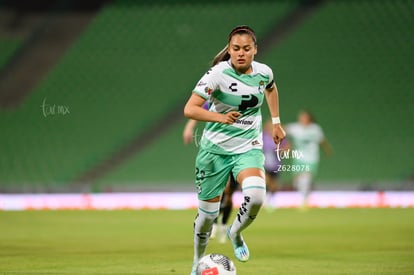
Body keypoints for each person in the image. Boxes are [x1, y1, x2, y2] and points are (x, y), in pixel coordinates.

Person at [183, 25, 286, 274]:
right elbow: (190, 109)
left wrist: (276, 122)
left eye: (246, 49)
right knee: (207, 216)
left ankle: (235, 233)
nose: (241, 53)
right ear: (229, 50)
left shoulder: (264, 72)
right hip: (214, 152)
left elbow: (271, 88)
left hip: (247, 147)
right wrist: (221, 118)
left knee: (257, 196)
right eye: (236, 49)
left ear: (255, 50)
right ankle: (197, 261)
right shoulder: (217, 74)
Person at [183, 118, 238, 244]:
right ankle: (214, 224)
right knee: (216, 191)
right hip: (216, 151)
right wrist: (189, 127)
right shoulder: (217, 102)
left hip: (237, 152)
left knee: (229, 194)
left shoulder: (240, 102)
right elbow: (198, 108)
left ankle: (223, 226)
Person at [285, 110, 332, 209]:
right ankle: (305, 195)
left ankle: (304, 201)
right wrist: (286, 143)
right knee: (296, 182)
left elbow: (322, 140)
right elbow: (281, 130)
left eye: (304, 117)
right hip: (298, 158)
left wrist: (327, 150)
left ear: (309, 118)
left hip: (311, 159)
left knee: (305, 180)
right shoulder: (295, 128)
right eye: (300, 117)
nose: (301, 118)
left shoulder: (315, 129)